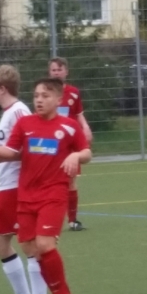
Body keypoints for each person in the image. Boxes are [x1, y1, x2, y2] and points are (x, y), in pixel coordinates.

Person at [0, 77, 92, 294]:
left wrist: (76, 156)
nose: (39, 100)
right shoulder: (25, 124)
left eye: (45, 96)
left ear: (58, 99)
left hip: (53, 194)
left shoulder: (68, 126)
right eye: (36, 96)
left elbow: (86, 152)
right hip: (26, 196)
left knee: (45, 245)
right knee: (30, 247)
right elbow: (12, 152)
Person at [0, 65, 49, 294]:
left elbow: (29, 149)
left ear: (2, 89)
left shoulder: (19, 111)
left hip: (16, 187)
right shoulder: (9, 113)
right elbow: (11, 151)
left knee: (29, 244)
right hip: (5, 186)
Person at [48, 57, 92, 231]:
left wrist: (85, 127)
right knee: (49, 181)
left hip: (69, 143)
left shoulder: (73, 92)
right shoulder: (46, 92)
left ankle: (73, 220)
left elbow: (79, 114)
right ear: (49, 72)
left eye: (59, 69)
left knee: (71, 181)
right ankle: (47, 215)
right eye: (53, 70)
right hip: (51, 143)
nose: (56, 73)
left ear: (66, 72)